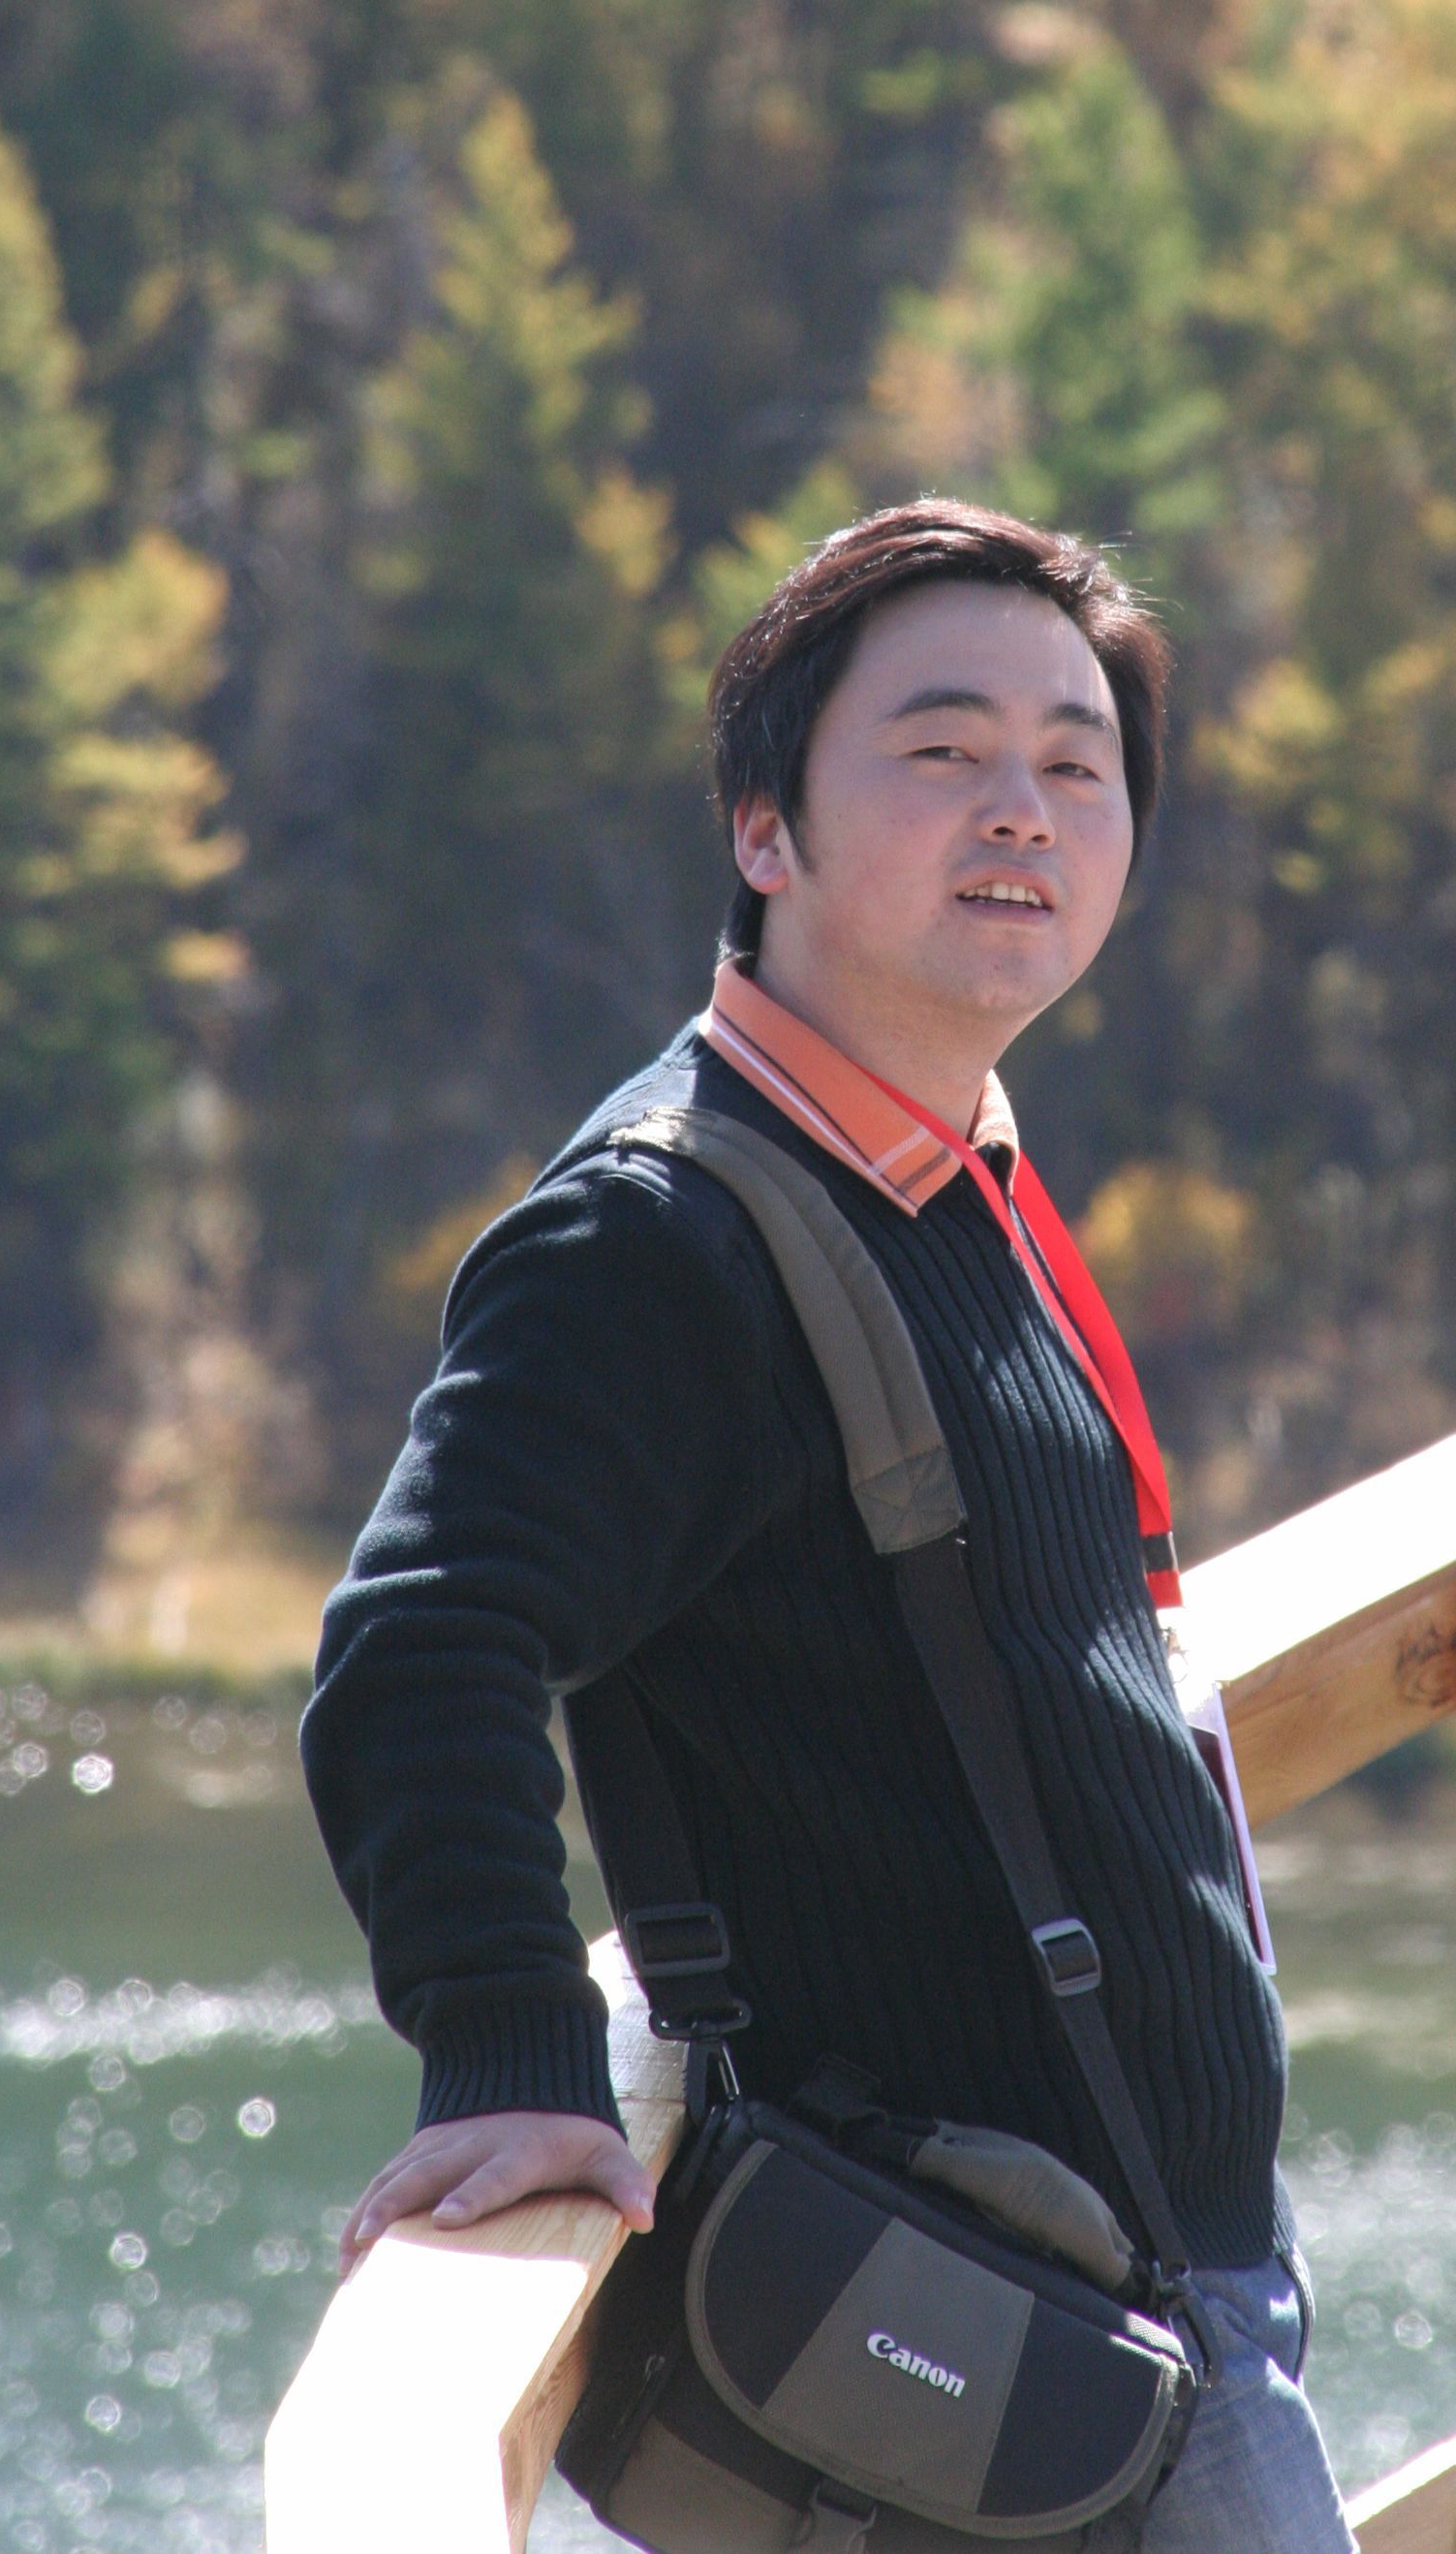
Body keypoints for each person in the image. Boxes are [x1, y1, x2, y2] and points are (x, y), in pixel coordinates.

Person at [300, 497, 1357, 2550]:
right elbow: (423, 1638)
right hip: (974, 2336)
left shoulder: (947, 1171)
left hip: (1155, 2289)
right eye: (941, 749)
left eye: (1074, 764)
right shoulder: (665, 1238)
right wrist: (509, 2053)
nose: (1021, 807)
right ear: (762, 829)